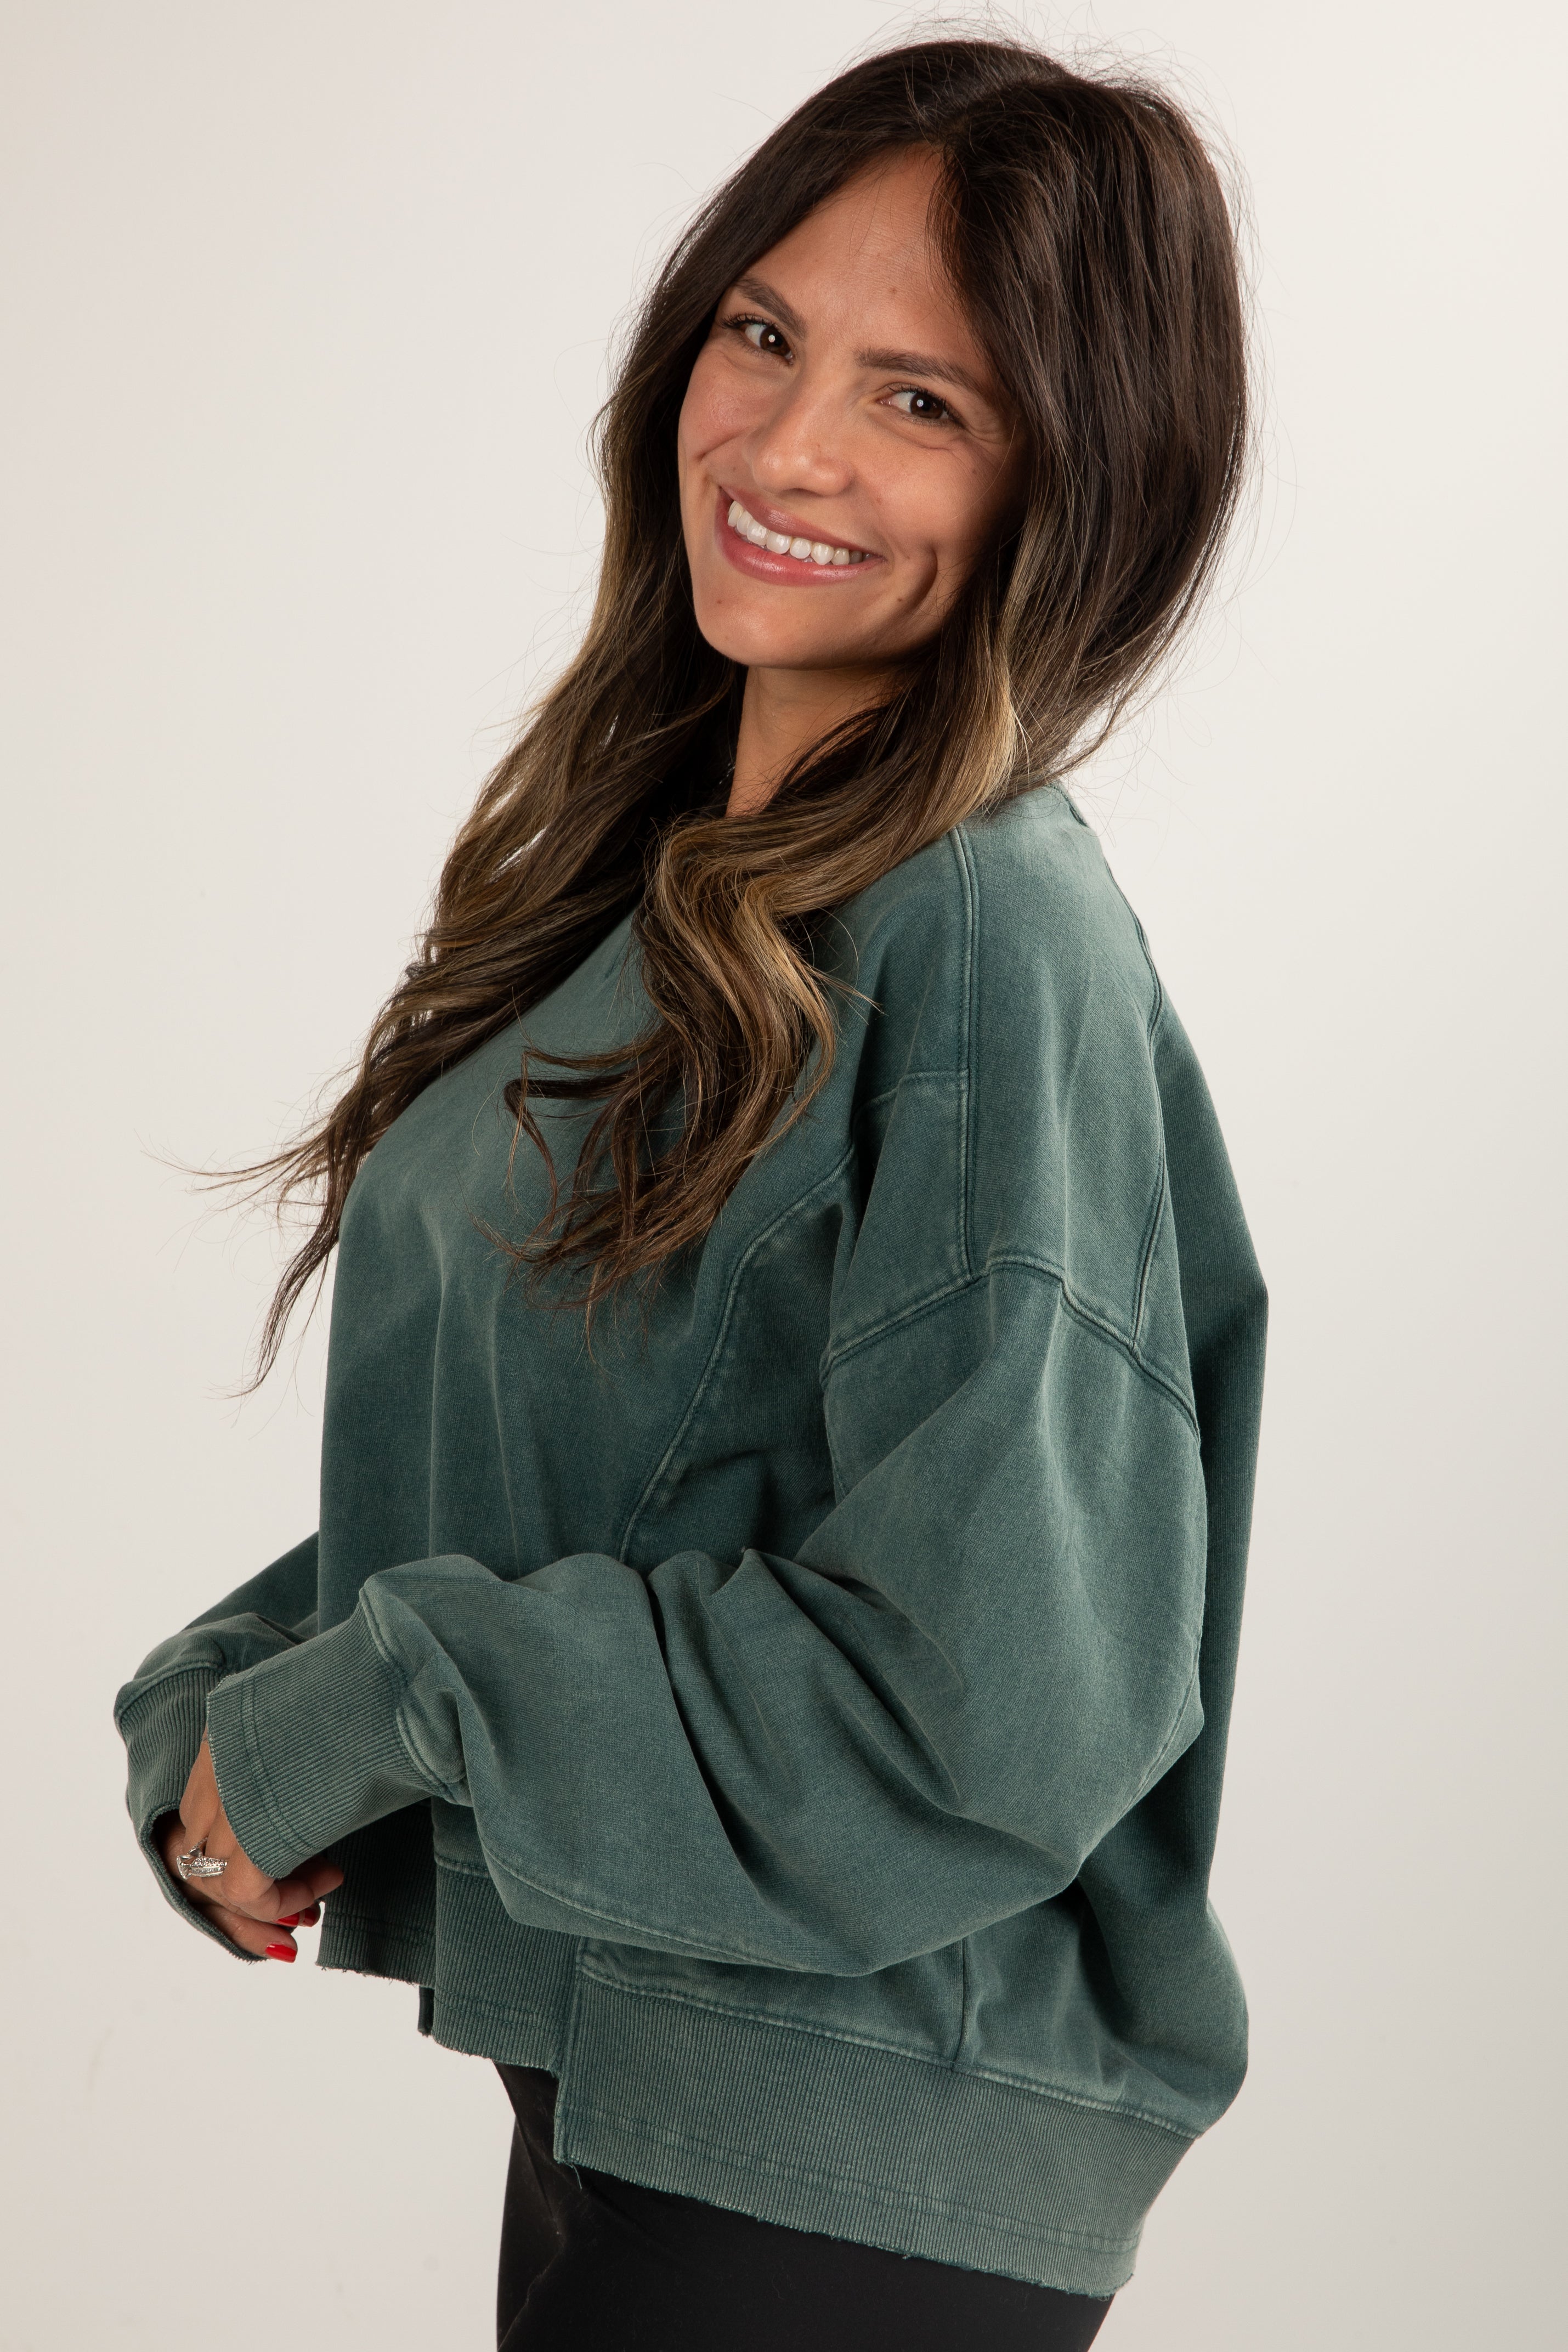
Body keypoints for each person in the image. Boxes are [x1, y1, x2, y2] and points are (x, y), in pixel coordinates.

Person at [115, 36, 1265, 2351]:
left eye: (921, 399)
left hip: (839, 2187)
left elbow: (999, 1689)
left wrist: (378, 1702)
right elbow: (605, 1481)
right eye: (762, 333)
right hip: (652, 2111)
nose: (792, 447)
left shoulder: (979, 923)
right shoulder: (705, 906)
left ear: (1077, 472)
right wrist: (244, 1703)